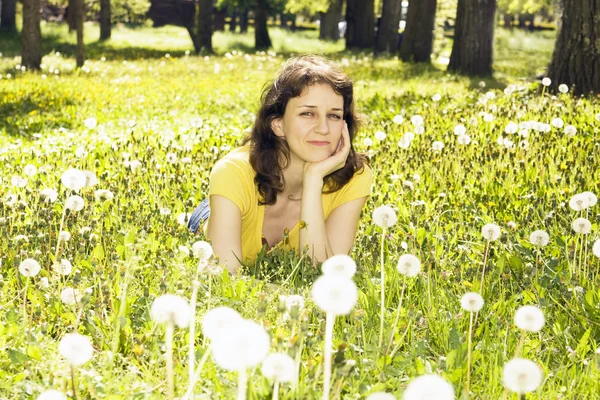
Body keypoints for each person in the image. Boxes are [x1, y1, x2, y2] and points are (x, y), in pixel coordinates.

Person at [188, 55, 372, 274]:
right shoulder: (232, 172)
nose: (323, 128)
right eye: (307, 113)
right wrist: (287, 297)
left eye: (333, 115)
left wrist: (313, 179)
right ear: (278, 125)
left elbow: (324, 274)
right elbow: (224, 276)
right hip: (221, 203)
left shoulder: (355, 177)